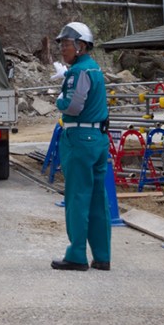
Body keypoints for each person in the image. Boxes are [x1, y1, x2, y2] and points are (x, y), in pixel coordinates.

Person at [51, 21, 112, 272]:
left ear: (81, 45)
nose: (63, 49)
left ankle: (76, 254)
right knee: (98, 199)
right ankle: (102, 256)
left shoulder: (79, 72)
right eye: (63, 45)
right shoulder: (94, 69)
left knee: (77, 197)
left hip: (79, 140)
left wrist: (59, 99)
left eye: (66, 44)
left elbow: (73, 106)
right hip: (98, 139)